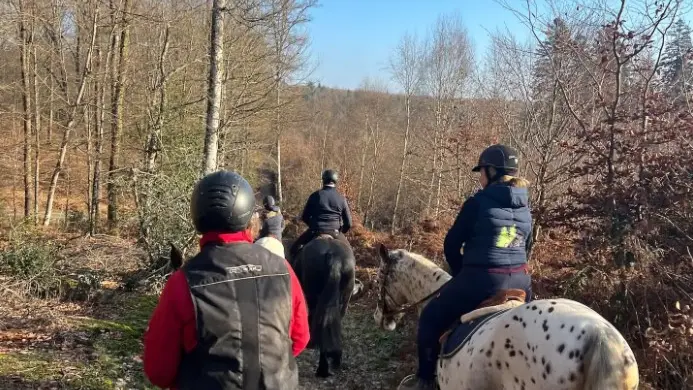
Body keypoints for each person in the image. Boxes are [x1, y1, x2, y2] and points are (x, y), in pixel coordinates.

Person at [143, 170, 309, 390]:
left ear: (198, 216)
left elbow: (159, 371)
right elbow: (300, 338)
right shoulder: (282, 269)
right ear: (248, 213)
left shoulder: (182, 282)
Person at [398, 144, 533, 390]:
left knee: (429, 320)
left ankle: (425, 381)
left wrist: (462, 273)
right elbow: (527, 245)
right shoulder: (525, 206)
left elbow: (451, 245)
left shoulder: (477, 203)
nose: (480, 176)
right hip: (521, 282)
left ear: (492, 172)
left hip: (482, 280)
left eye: (481, 171)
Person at [288, 169, 353, 259]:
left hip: (315, 231)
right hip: (335, 232)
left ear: (323, 180)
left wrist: (313, 226)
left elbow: (305, 216)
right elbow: (349, 223)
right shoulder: (341, 198)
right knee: (350, 255)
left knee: (293, 250)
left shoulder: (315, 196)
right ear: (335, 181)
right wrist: (341, 231)